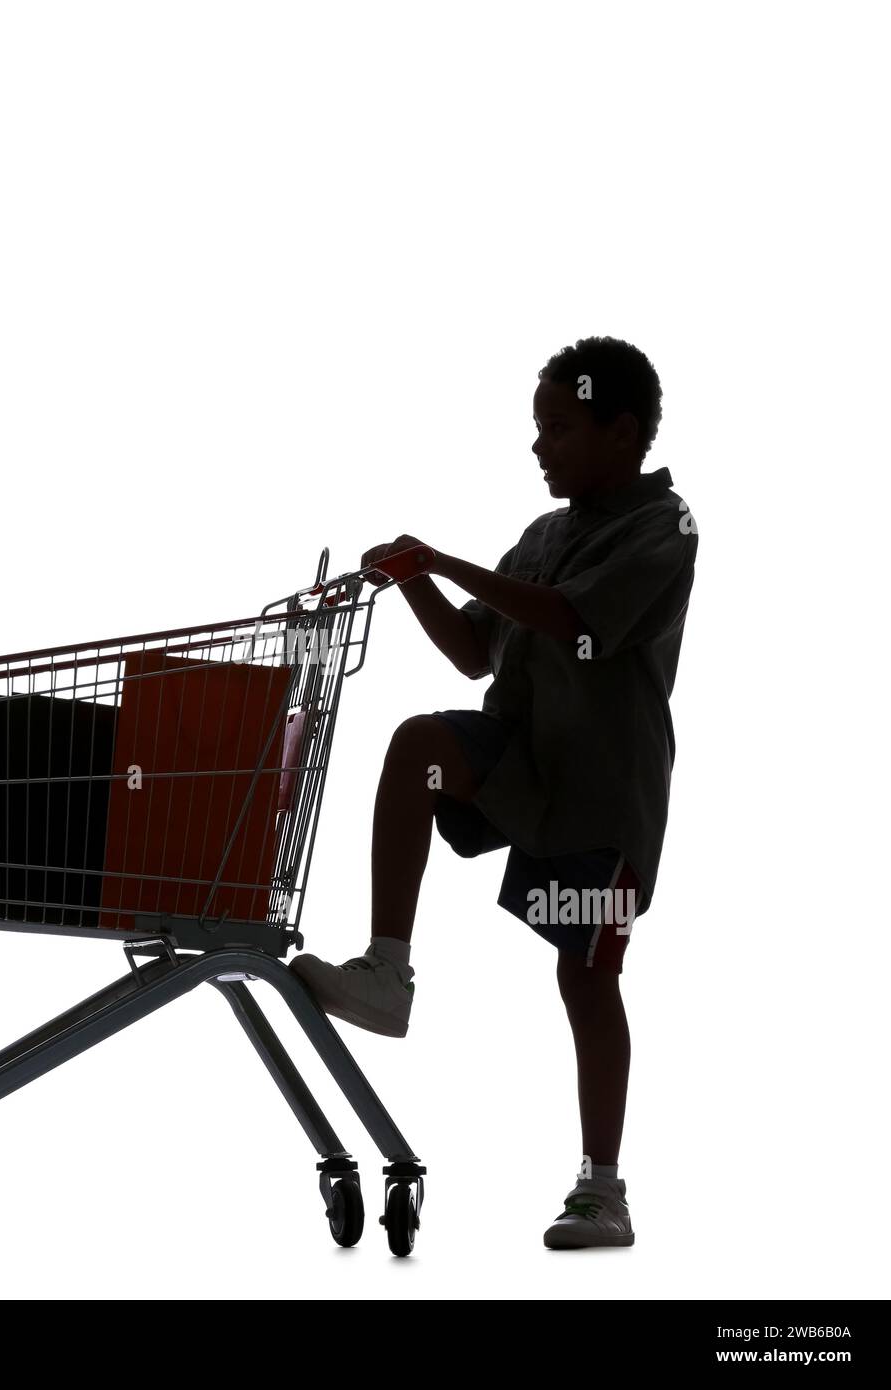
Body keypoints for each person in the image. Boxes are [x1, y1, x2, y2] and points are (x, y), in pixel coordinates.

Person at [290, 335, 698, 1248]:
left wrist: (441, 561)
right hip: (520, 762)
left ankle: (603, 1189)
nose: (539, 446)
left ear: (622, 431)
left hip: (601, 794)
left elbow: (569, 618)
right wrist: (411, 585)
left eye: (557, 426)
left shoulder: (664, 529)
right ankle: (386, 972)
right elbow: (479, 650)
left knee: (586, 976)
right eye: (536, 428)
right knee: (419, 746)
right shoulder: (544, 535)